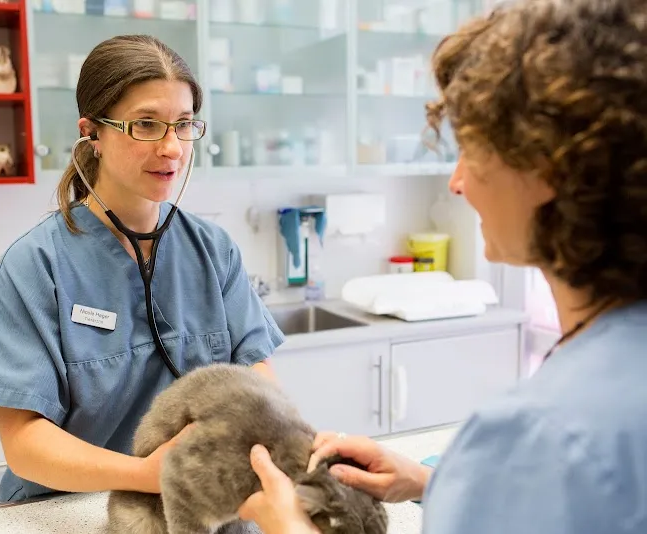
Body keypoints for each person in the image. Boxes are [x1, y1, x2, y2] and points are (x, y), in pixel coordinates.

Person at [238, 0, 647, 532]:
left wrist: (290, 527)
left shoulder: (541, 435)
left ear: (547, 166)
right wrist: (430, 480)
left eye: (471, 150)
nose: (457, 182)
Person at [0, 34, 284, 505]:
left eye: (183, 124)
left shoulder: (213, 250)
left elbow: (255, 370)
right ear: (92, 133)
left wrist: (270, 433)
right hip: (72, 508)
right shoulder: (36, 266)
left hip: (195, 504)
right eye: (146, 124)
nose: (172, 148)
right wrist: (147, 474)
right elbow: (24, 442)